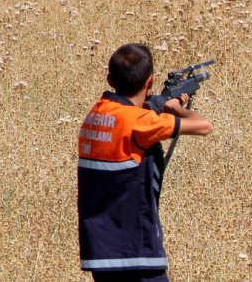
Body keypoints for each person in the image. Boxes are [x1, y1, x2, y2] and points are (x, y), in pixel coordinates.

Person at [77, 43, 213, 281]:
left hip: (100, 251)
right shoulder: (140, 122)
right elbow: (204, 126)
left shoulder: (95, 115)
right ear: (150, 82)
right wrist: (176, 109)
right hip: (137, 250)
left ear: (110, 79)